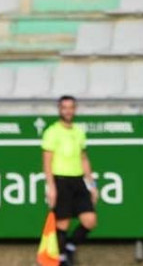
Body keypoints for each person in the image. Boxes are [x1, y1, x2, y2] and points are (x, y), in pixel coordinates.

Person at [42, 96, 97, 266]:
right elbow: (47, 160)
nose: (67, 111)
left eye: (70, 107)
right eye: (64, 107)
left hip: (78, 180)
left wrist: (92, 184)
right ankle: (63, 258)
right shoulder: (52, 132)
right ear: (60, 109)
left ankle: (71, 247)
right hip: (61, 180)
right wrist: (51, 186)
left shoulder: (78, 132)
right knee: (63, 223)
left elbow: (84, 158)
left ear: (75, 109)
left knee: (90, 220)